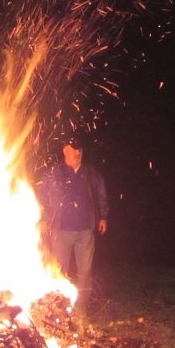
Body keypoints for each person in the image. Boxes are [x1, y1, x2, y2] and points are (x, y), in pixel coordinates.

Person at [40, 137, 109, 322]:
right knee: (58, 269)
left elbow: (101, 194)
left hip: (85, 230)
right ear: (65, 152)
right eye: (73, 151)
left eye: (79, 151)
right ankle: (57, 307)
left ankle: (80, 309)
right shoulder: (55, 173)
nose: (77, 154)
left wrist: (103, 217)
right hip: (61, 230)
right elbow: (43, 196)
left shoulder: (90, 173)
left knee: (84, 271)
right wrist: (45, 218)